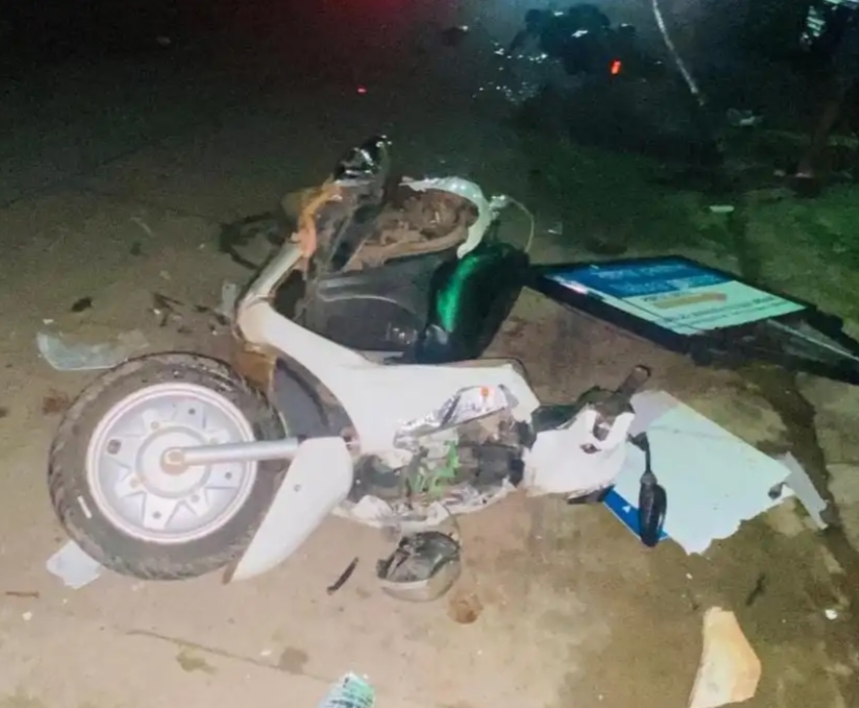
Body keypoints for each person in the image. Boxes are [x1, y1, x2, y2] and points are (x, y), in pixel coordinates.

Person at [794, 0, 859, 192]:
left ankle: (809, 164)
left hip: (842, 22)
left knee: (834, 100)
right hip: (843, 23)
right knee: (833, 99)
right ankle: (808, 164)